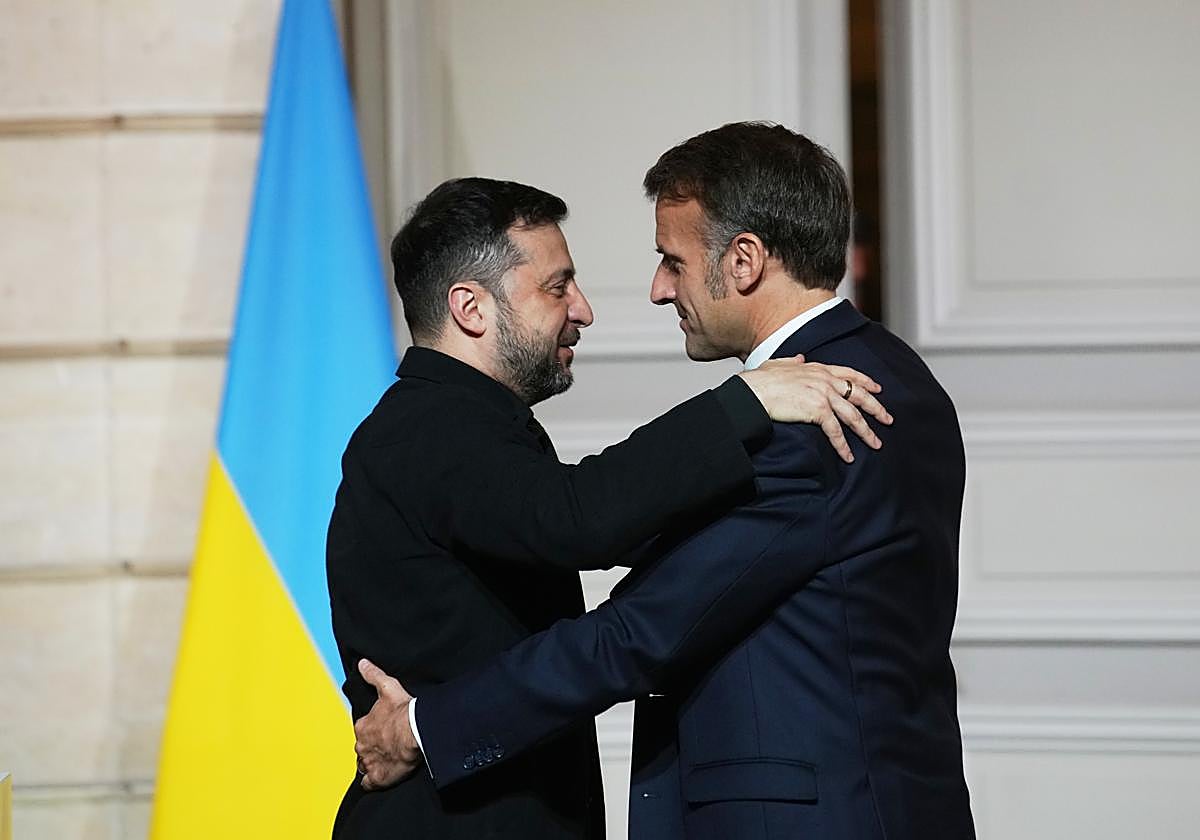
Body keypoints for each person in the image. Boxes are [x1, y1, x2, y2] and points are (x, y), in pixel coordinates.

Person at [353, 124, 977, 840]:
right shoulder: (892, 374)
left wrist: (423, 729)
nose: (656, 290)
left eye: (671, 262)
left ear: (743, 261)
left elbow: (635, 631)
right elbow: (603, 518)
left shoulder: (814, 416)